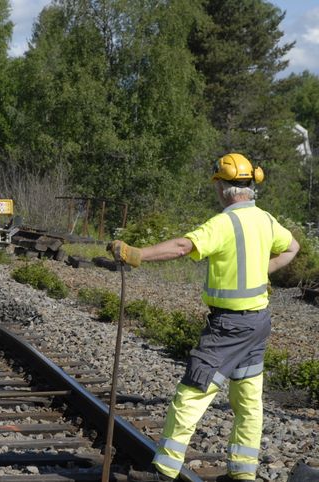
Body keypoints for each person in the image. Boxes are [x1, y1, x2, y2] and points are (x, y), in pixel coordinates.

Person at [108, 153, 300, 482]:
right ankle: (243, 474)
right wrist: (261, 271)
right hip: (258, 323)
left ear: (225, 187)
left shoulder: (224, 223)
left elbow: (183, 247)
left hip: (229, 326)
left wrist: (137, 254)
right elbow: (292, 247)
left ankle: (164, 471)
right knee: (248, 400)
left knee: (191, 393)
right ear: (251, 186)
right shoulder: (266, 220)